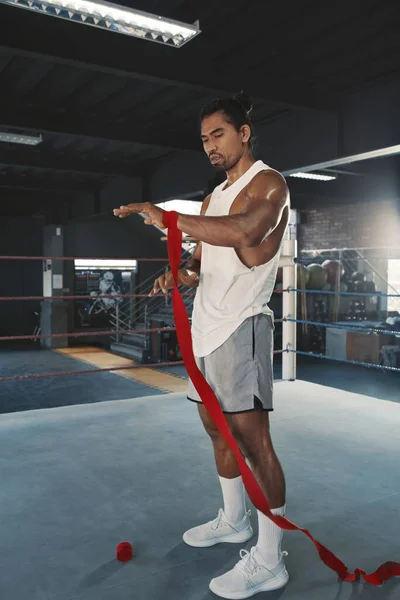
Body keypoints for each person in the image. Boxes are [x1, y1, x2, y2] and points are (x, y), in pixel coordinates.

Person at [113, 92, 291, 598]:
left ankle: (269, 557)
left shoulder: (269, 184)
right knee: (216, 430)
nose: (211, 146)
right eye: (204, 139)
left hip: (243, 326)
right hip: (206, 328)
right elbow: (205, 258)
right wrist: (181, 273)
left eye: (219, 134)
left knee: (255, 443)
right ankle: (234, 521)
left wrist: (166, 216)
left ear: (244, 133)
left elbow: (246, 230)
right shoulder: (214, 196)